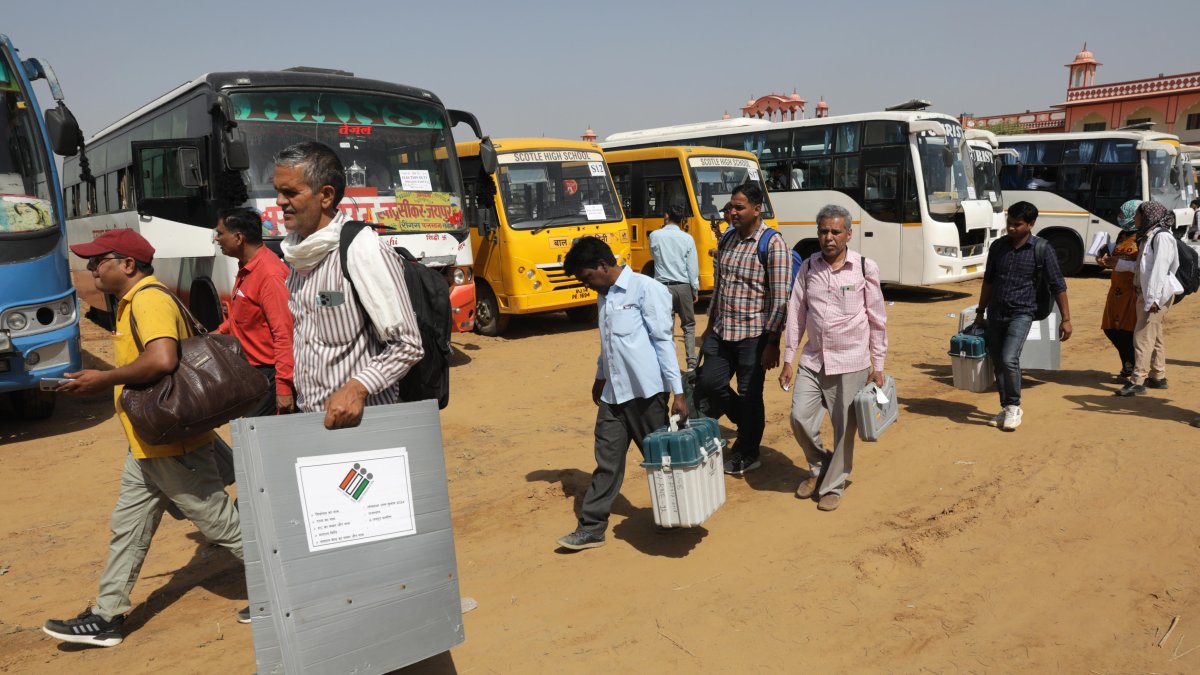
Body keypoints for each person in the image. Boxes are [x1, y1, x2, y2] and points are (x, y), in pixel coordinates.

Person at [44, 229, 245, 647]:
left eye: (100, 260)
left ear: (127, 265)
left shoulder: (149, 299)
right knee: (129, 528)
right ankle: (106, 616)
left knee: (224, 527)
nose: (92, 268)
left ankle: (304, 583)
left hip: (173, 445)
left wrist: (104, 379)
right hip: (148, 444)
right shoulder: (133, 301)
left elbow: (162, 358)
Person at [275, 141, 424, 427]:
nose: (280, 202)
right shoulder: (296, 257)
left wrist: (357, 388)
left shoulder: (363, 252)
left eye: (290, 192)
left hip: (364, 424)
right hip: (313, 421)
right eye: (278, 192)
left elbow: (408, 345)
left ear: (326, 196)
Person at [556, 236, 687, 550]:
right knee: (607, 461)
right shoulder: (604, 295)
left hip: (647, 394)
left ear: (602, 266)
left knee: (660, 461)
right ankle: (592, 527)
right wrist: (600, 377)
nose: (587, 285)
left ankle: (675, 513)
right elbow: (608, 343)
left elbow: (663, 342)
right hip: (614, 395)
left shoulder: (646, 289)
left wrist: (678, 393)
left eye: (587, 277)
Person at [779, 205, 888, 511]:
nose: (828, 237)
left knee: (844, 429)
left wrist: (877, 366)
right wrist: (789, 358)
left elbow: (877, 319)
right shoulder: (808, 267)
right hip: (814, 361)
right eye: (823, 231)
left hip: (852, 362)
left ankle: (833, 485)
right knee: (799, 417)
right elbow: (796, 314)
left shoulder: (865, 268)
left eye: (835, 231)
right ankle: (819, 464)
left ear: (848, 234)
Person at [698, 183, 790, 475]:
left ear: (756, 209)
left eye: (740, 207)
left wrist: (773, 341)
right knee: (709, 383)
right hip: (722, 331)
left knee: (750, 393)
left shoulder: (773, 244)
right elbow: (721, 289)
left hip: (754, 336)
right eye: (731, 207)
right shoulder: (727, 239)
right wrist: (709, 327)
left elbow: (780, 298)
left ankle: (748, 450)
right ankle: (746, 422)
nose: (733, 212)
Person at [973, 201, 1071, 431]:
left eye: (1017, 225)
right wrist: (980, 311)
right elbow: (988, 281)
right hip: (996, 312)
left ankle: (1014, 406)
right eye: (1009, 223)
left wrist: (1066, 319)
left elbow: (1058, 285)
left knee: (1009, 358)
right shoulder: (998, 247)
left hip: (1023, 312)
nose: (1011, 228)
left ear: (1031, 224)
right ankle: (1006, 407)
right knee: (997, 361)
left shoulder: (1043, 249)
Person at [213, 206, 296, 416]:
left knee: (261, 442)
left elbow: (284, 334)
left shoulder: (269, 276)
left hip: (270, 377)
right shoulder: (247, 268)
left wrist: (284, 387)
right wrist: (213, 337)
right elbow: (241, 318)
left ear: (239, 237)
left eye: (220, 233)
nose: (216, 238)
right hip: (251, 373)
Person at [1116, 201, 1182, 397]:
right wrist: (1117, 264)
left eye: (1138, 215)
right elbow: (1143, 268)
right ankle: (1157, 375)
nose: (1135, 219)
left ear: (1147, 216)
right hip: (1147, 293)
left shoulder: (1162, 237)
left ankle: (1138, 380)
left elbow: (1160, 271)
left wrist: (1153, 299)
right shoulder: (1149, 234)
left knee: (1142, 337)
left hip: (1155, 296)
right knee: (1155, 335)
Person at [648, 203, 700, 370]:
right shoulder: (687, 238)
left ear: (666, 216)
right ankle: (691, 363)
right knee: (689, 325)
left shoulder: (655, 235)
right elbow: (692, 267)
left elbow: (653, 255)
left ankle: (669, 363)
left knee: (665, 326)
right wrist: (695, 287)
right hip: (683, 285)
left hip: (662, 287)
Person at [1095, 200, 1141, 379]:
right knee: (1110, 328)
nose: (1120, 217)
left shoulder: (1143, 237)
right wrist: (1103, 257)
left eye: (1123, 214)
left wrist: (1119, 263)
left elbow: (1143, 265)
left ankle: (1131, 366)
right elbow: (1114, 251)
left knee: (1126, 331)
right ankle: (1130, 363)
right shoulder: (1124, 234)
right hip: (1116, 290)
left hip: (1132, 290)